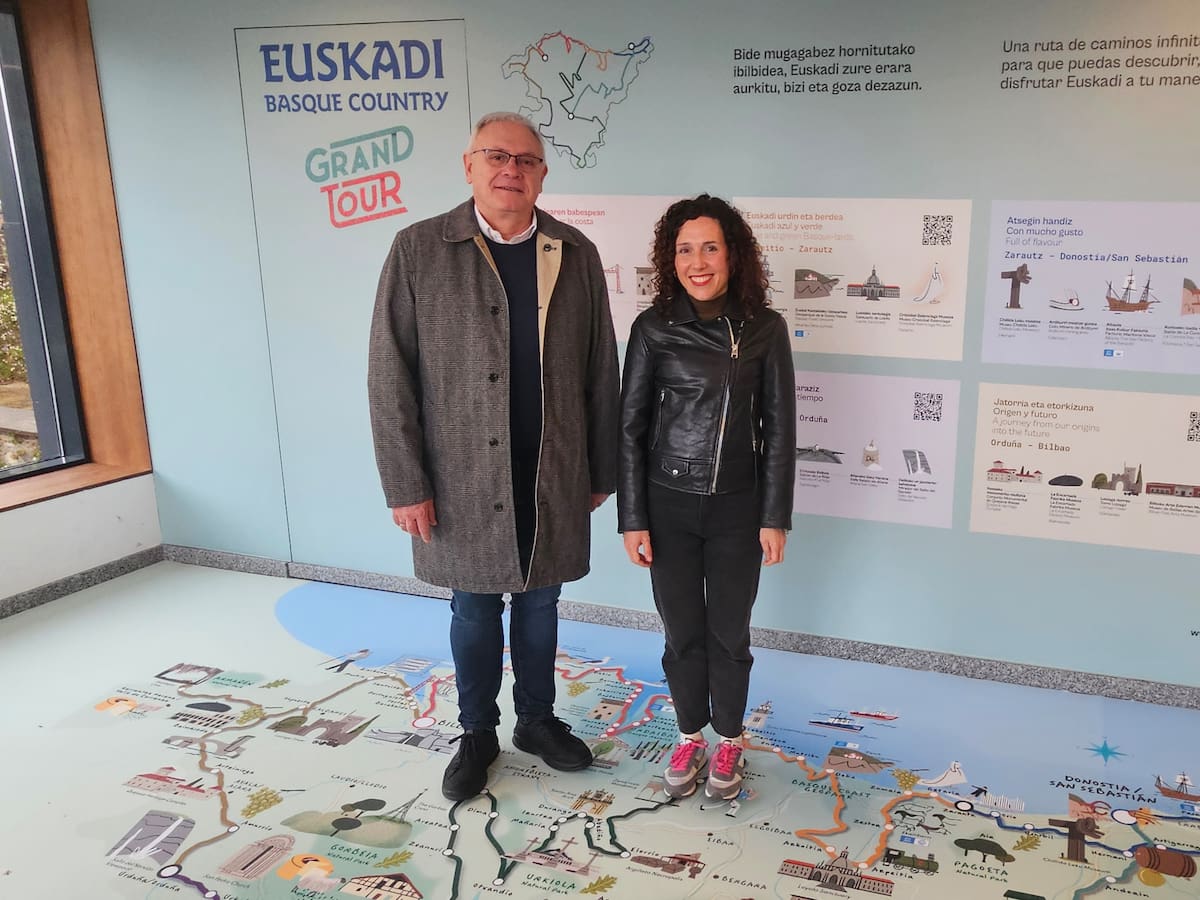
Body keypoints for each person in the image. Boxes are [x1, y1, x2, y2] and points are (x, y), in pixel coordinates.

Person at [368, 111, 620, 801]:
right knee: (474, 607)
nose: (512, 169)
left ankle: (535, 721)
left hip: (550, 466)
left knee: (542, 602)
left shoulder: (574, 250)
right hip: (459, 474)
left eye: (526, 160)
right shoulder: (419, 248)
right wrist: (405, 482)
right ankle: (476, 732)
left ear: (542, 173)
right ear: (469, 165)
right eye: (497, 156)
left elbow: (601, 367)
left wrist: (600, 468)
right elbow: (389, 371)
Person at [617, 195, 795, 801]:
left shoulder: (765, 328)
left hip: (738, 509)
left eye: (710, 248)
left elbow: (780, 430)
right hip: (667, 505)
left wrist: (774, 515)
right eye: (685, 250)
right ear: (672, 260)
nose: (698, 262)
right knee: (682, 633)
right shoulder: (653, 328)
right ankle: (690, 734)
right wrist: (633, 518)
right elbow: (630, 429)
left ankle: (730, 740)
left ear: (732, 255)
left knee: (729, 634)